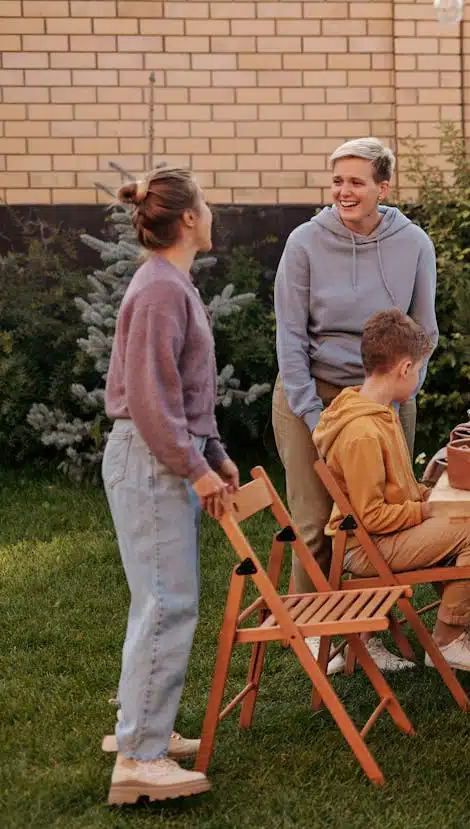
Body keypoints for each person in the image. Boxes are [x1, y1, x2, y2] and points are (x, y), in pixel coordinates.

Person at [101, 168, 237, 805]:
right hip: (149, 458)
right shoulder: (160, 289)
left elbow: (185, 391)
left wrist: (214, 451)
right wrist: (199, 470)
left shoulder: (171, 284)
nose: (210, 214)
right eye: (204, 205)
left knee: (159, 598)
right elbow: (153, 403)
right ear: (187, 218)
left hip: (161, 454)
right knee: (167, 601)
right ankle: (139, 759)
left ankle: (143, 728)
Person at [272, 138, 439, 657]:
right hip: (312, 391)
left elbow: (425, 329)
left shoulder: (413, 243)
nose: (344, 191)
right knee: (316, 521)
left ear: (382, 187)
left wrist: (402, 388)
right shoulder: (304, 243)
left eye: (356, 181)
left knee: (381, 514)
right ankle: (317, 633)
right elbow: (290, 337)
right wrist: (314, 412)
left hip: (386, 394)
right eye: (337, 181)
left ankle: (371, 631)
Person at [313, 309, 470, 673]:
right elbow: (370, 516)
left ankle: (462, 626)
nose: (418, 377)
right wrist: (429, 510)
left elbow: (398, 490)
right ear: (404, 368)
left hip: (387, 533)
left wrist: (430, 495)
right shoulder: (362, 433)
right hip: (364, 548)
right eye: (419, 369)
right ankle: (448, 639)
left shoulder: (380, 412)